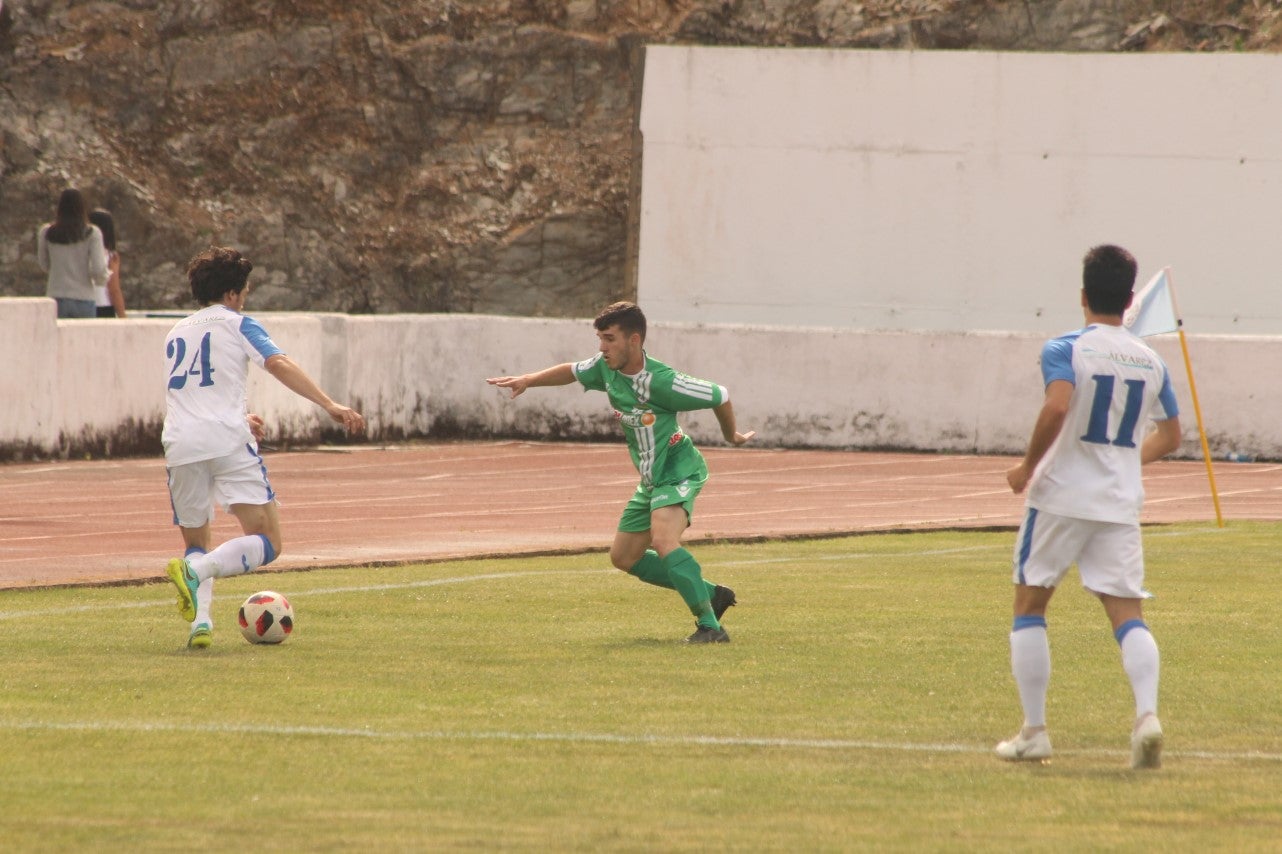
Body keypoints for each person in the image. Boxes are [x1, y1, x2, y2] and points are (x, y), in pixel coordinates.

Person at [997, 244, 1182, 769]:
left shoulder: (1065, 347)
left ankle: (1034, 732)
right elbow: (1172, 435)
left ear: (1082, 295)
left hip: (1059, 495)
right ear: (1129, 300)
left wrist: (1026, 468)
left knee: (1031, 607)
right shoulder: (1151, 360)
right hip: (1118, 502)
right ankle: (1147, 716)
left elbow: (1057, 404)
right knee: (1127, 613)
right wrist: (1123, 462)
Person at [487, 301, 755, 643]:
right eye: (600, 338)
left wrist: (731, 436)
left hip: (679, 469)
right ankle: (711, 595)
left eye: (609, 339)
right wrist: (528, 380)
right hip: (651, 479)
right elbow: (571, 370)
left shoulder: (663, 382)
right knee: (624, 557)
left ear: (634, 340)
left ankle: (711, 627)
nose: (602, 347)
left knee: (663, 540)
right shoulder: (606, 368)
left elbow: (720, 394)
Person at [161, 246, 365, 648]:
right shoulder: (238, 323)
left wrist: (241, 417)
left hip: (180, 442)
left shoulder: (175, 332)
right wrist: (329, 404)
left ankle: (200, 624)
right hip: (225, 440)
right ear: (234, 293)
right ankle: (196, 575)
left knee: (196, 544)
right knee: (268, 540)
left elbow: (197, 392)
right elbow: (277, 362)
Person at [36, 188, 108, 318]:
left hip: (56, 296)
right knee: (85, 338)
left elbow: (44, 265)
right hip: (84, 297)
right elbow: (98, 269)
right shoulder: (92, 233)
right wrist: (100, 280)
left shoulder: (46, 232)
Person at [88, 209, 126, 318]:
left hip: (85, 303)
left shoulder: (81, 253)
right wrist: (123, 316)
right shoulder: (110, 256)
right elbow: (114, 289)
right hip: (103, 305)